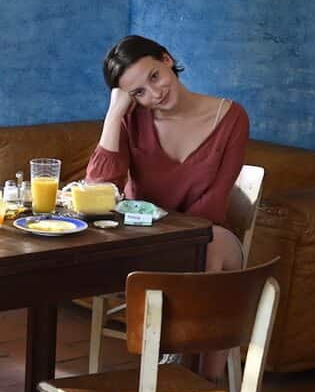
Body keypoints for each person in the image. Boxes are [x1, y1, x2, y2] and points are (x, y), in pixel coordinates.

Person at [86, 35, 249, 273]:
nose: (155, 93)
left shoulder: (232, 118)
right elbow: (98, 191)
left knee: (206, 250)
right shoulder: (130, 120)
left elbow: (213, 203)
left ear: (166, 60)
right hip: (140, 233)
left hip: (207, 233)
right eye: (139, 92)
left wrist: (167, 241)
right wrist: (113, 115)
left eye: (154, 76)